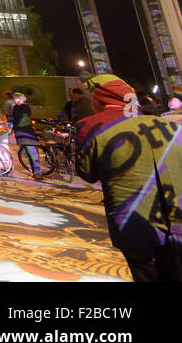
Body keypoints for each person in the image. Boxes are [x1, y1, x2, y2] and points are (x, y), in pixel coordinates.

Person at [76, 73, 182, 281]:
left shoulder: (92, 126)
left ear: (97, 100)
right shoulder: (168, 124)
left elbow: (87, 173)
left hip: (135, 223)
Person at [10, 92, 42, 179]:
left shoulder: (25, 107)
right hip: (21, 133)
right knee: (28, 153)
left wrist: (18, 128)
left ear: (21, 99)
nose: (14, 100)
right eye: (14, 98)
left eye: (16, 98)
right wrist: (14, 129)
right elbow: (15, 119)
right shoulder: (16, 107)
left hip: (26, 132)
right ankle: (34, 172)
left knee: (31, 152)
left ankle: (38, 172)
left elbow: (24, 119)